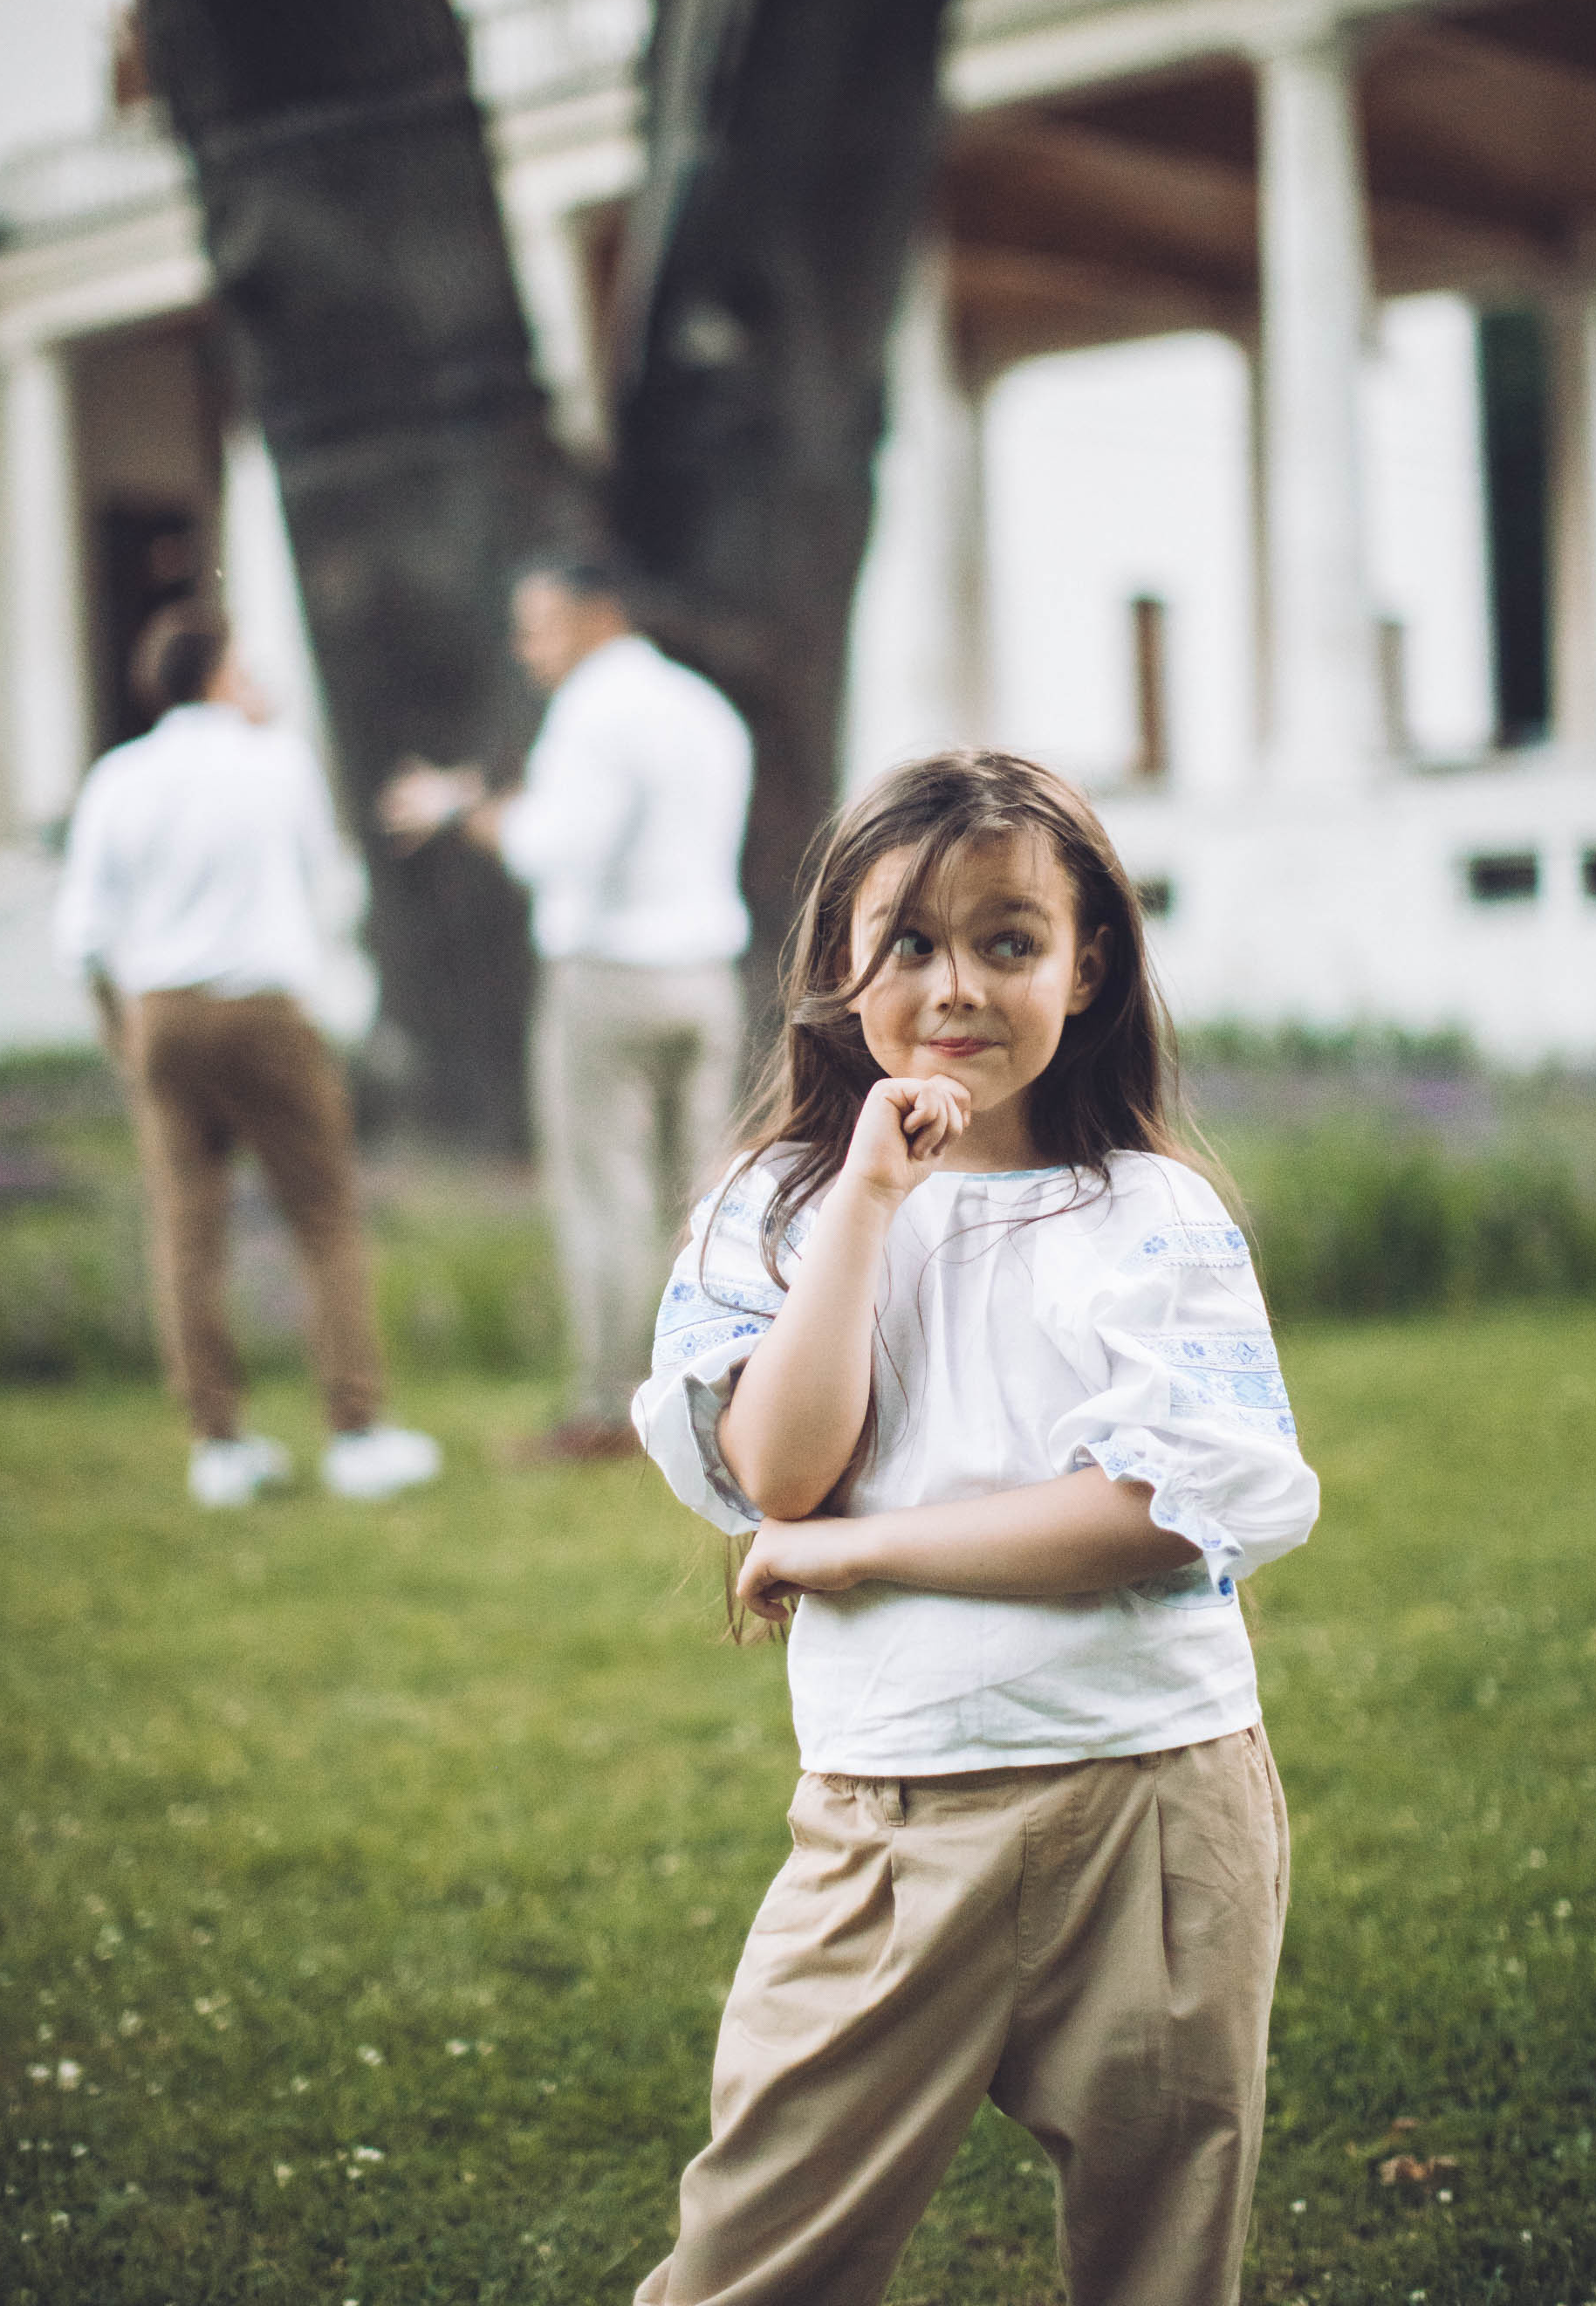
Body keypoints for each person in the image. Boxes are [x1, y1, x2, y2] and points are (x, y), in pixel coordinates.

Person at [631, 749, 1320, 2306]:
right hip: (888, 1816)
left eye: (1010, 941)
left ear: (1088, 968)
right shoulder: (776, 1208)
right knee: (757, 2253)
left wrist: (857, 1553)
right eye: (912, 942)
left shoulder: (1151, 1213)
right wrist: (867, 1202)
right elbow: (779, 1470)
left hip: (1153, 1798)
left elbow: (1156, 1512)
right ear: (839, 964)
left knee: (1161, 2253)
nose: (958, 986)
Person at [54, 598, 440, 1509]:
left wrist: (123, 1033)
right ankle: (355, 1430)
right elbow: (328, 888)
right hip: (263, 1009)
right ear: (221, 673)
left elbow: (83, 933)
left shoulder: (118, 777)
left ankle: (218, 1445)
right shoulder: (277, 763)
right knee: (323, 1217)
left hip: (162, 1013)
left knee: (187, 1229)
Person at [379, 559, 753, 1459]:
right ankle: (712, 1388)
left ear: (598, 614)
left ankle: (609, 1406)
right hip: (707, 975)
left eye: (539, 623)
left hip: (609, 978)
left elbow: (557, 848)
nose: (526, 646)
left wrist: (460, 812)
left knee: (603, 1194)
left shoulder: (593, 709)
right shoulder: (702, 706)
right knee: (699, 1198)